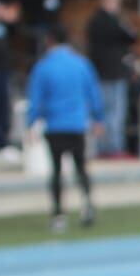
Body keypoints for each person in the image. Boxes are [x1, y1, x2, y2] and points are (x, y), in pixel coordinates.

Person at [25, 22, 102, 233]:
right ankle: (87, 205)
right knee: (81, 167)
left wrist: (31, 123)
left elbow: (36, 98)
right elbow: (93, 91)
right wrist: (98, 118)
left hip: (55, 125)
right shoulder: (81, 64)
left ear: (49, 40)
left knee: (57, 170)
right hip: (77, 123)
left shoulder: (44, 66)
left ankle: (58, 213)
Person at [85, 0, 137, 158]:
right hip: (109, 73)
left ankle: (108, 147)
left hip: (107, 72)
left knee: (108, 112)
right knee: (112, 113)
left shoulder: (97, 20)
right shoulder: (106, 21)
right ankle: (111, 148)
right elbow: (131, 36)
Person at [0, 0, 19, 163]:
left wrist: (10, 18)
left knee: (3, 103)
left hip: (2, 64)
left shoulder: (2, 5)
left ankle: (2, 142)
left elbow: (14, 29)